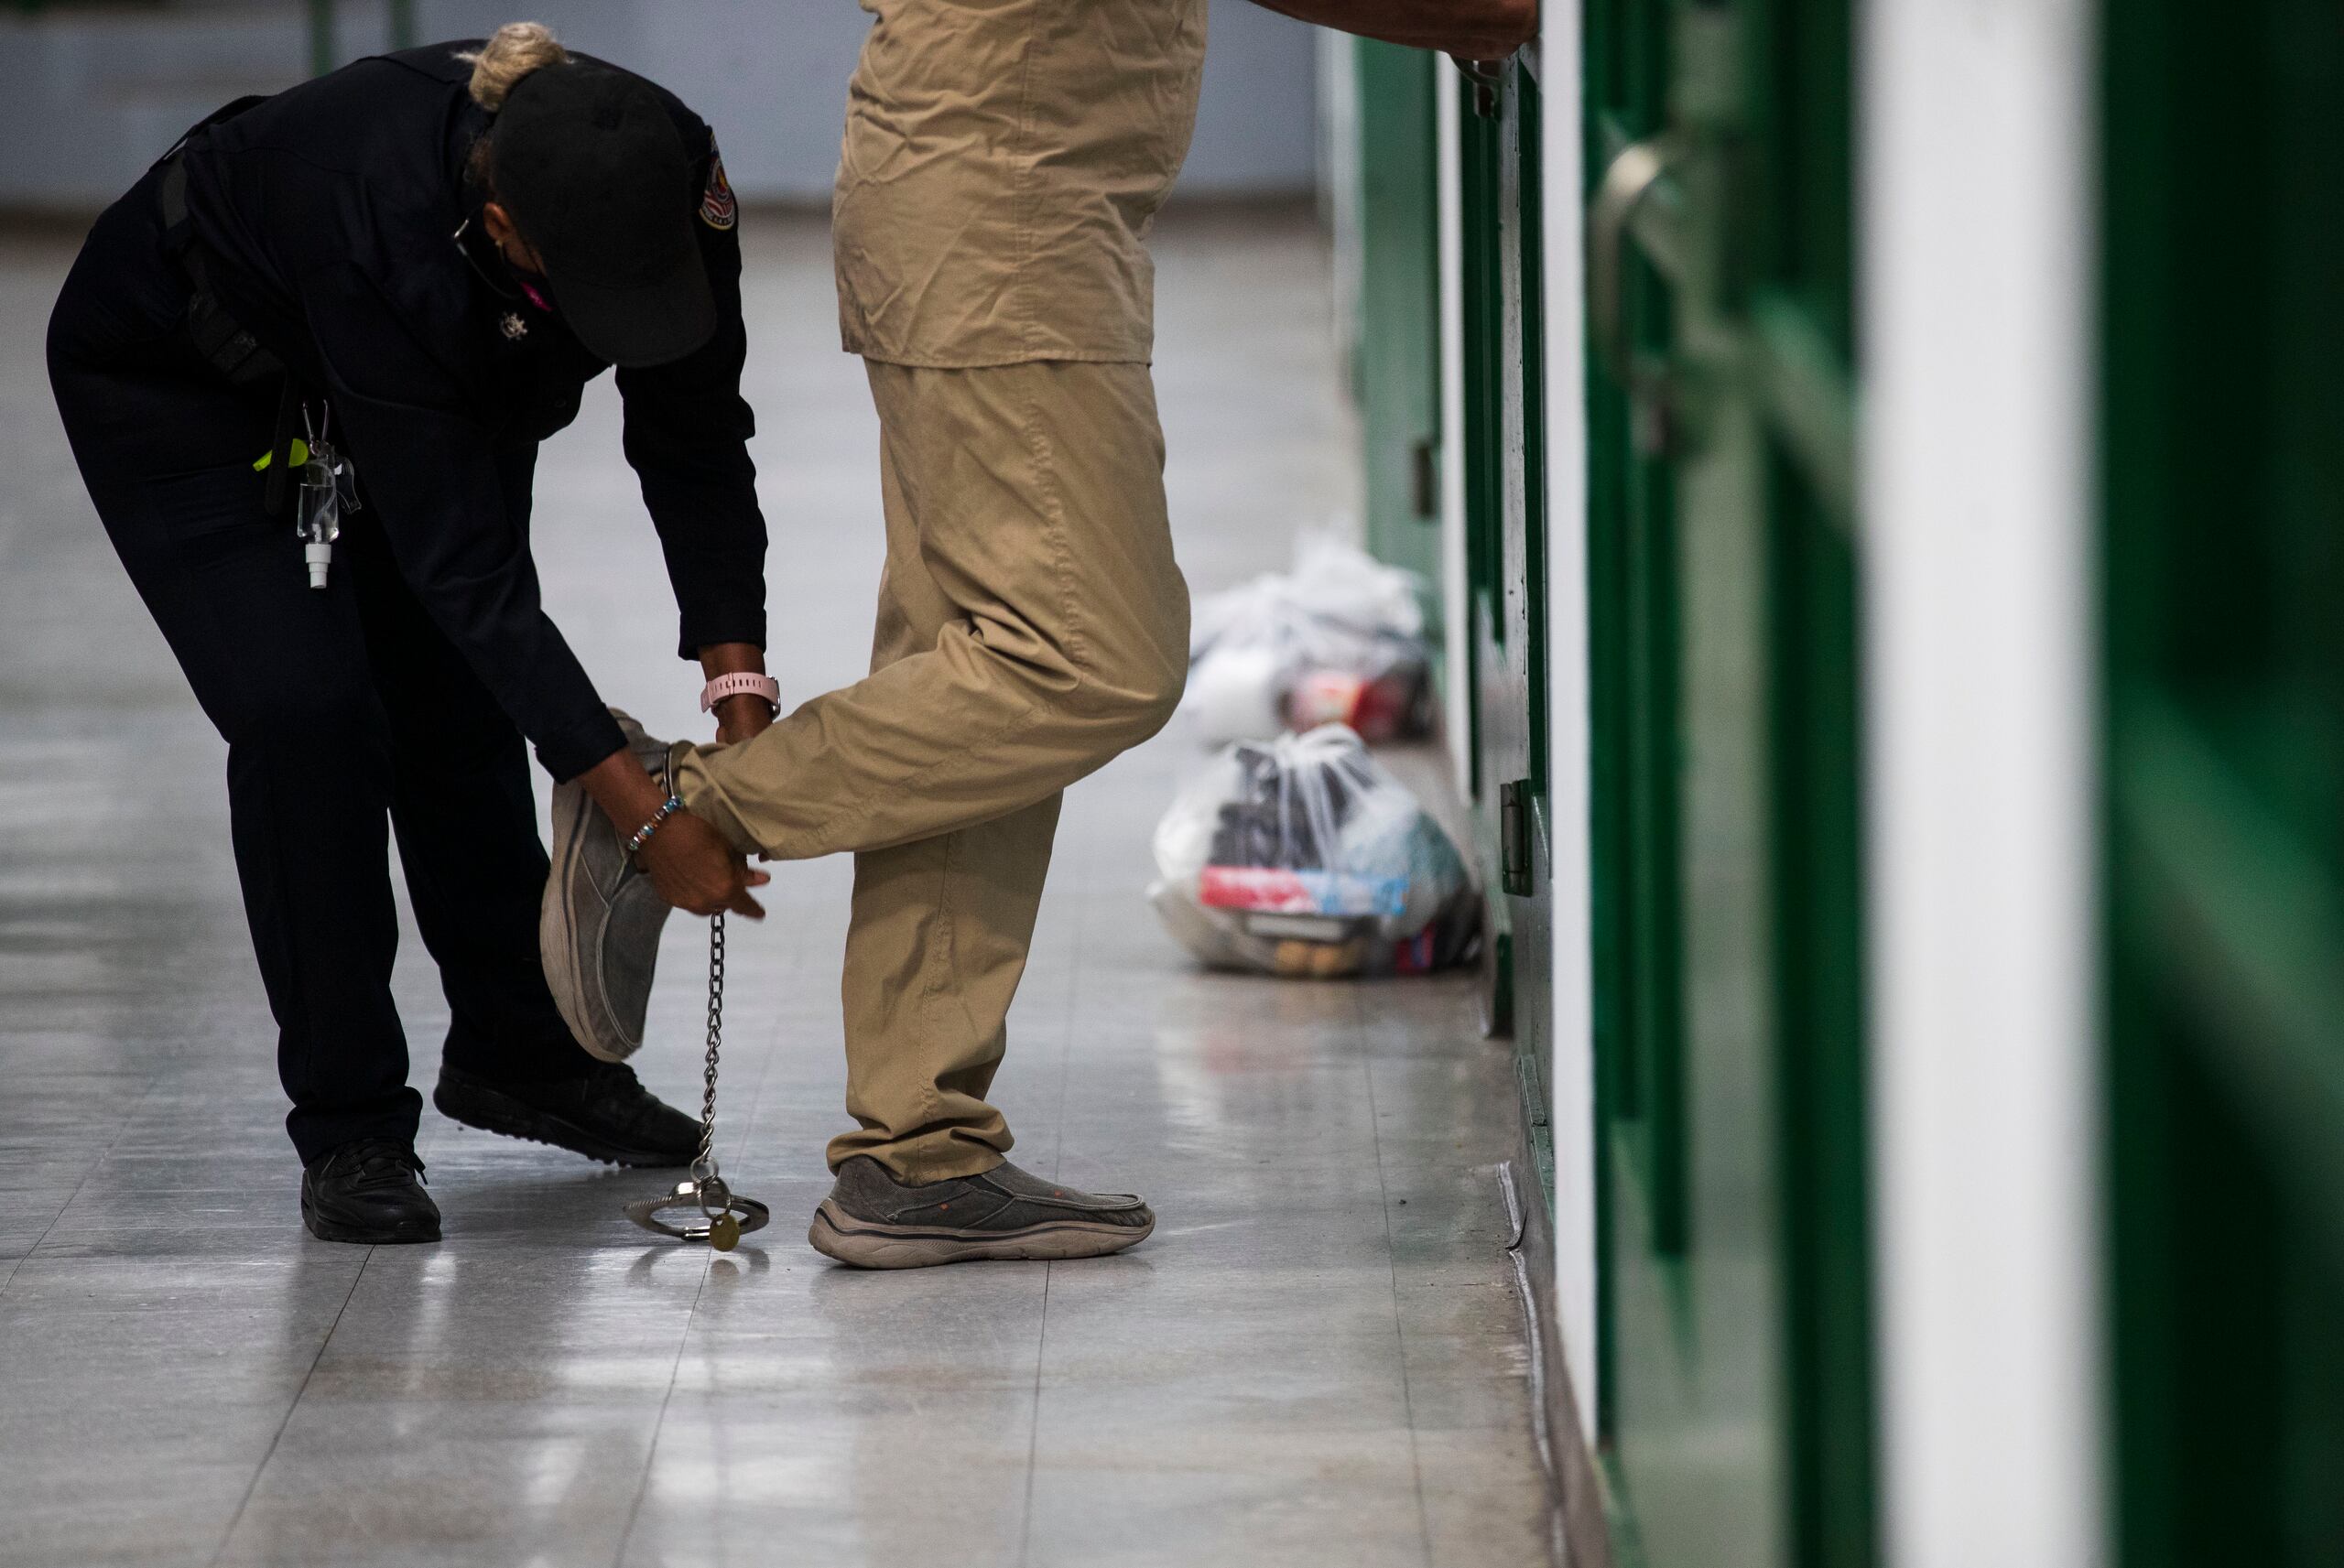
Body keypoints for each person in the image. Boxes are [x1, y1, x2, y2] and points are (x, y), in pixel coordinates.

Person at [541, 0, 1539, 1270]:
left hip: (998, 209)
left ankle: (920, 1150)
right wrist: (1494, 17)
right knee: (1086, 655)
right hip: (1002, 219)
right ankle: (668, 805)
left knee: (970, 679)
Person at [46, 24, 769, 1247]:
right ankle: (350, 1124)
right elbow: (468, 576)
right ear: (501, 230)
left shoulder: (662, 169)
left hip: (424, 375)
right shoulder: (372, 211)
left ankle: (519, 1055)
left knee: (458, 700)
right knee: (310, 715)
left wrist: (738, 696)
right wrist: (642, 817)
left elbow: (696, 437)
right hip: (188, 384)